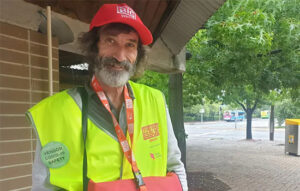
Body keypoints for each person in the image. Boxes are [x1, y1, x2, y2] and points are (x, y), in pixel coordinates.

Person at [26, 3, 188, 191]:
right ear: (94, 47)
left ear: (138, 54)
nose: (120, 56)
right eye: (111, 41)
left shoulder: (155, 100)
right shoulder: (55, 112)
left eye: (130, 45)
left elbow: (175, 166)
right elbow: (43, 186)